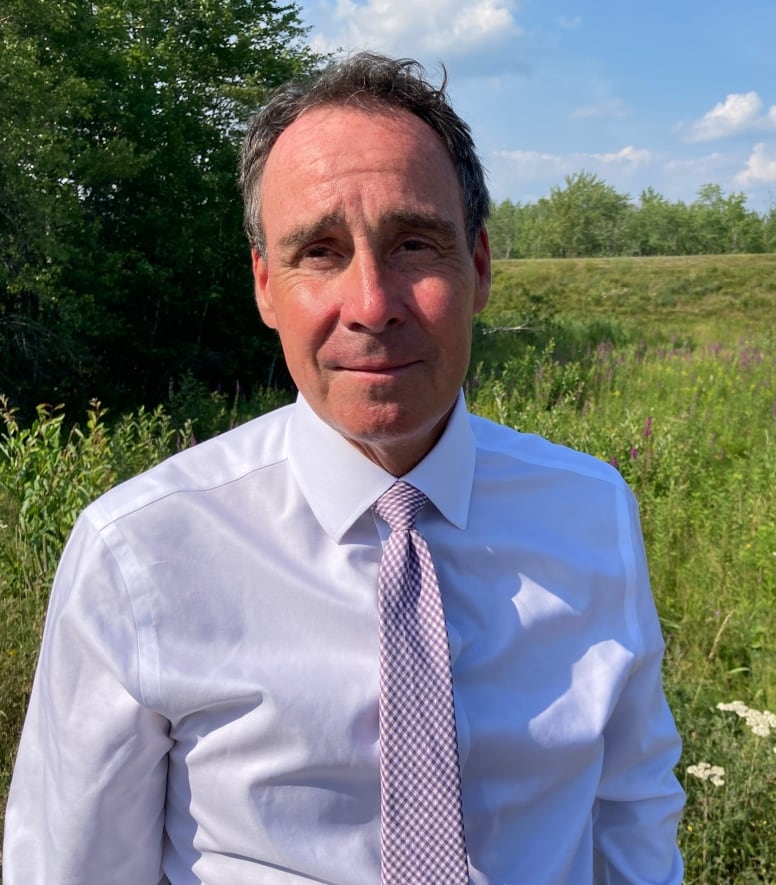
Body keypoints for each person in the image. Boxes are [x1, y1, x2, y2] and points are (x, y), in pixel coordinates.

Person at [4, 52, 685, 883]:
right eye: (320, 252)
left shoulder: (590, 513)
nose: (372, 304)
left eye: (413, 243)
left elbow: (631, 818)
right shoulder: (140, 553)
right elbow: (69, 865)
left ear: (479, 267)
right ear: (264, 285)